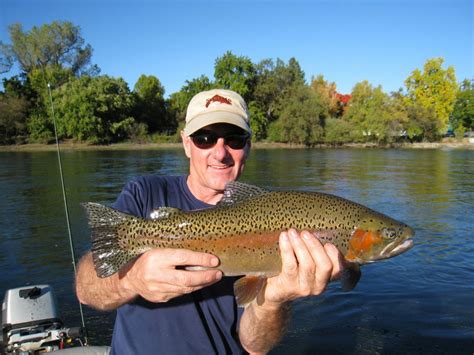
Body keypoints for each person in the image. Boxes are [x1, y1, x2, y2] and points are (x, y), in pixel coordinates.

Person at [75, 89, 345, 354]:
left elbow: (254, 346)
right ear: (186, 143)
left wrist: (274, 299)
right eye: (204, 138)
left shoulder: (274, 217)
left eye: (234, 139)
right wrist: (132, 280)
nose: (220, 152)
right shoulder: (144, 193)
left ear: (248, 147)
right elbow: (86, 291)